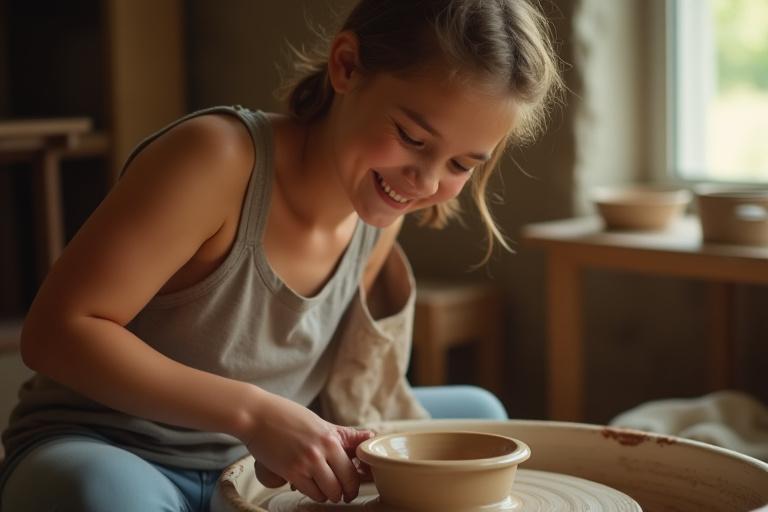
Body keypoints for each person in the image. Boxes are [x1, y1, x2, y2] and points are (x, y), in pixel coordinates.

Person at [0, 0, 562, 510]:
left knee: (483, 421)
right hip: (115, 450)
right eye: (412, 137)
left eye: (462, 165)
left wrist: (342, 439)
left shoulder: (378, 212)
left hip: (251, 468)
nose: (425, 180)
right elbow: (55, 333)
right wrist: (253, 413)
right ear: (346, 66)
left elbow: (325, 383)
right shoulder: (216, 160)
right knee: (99, 494)